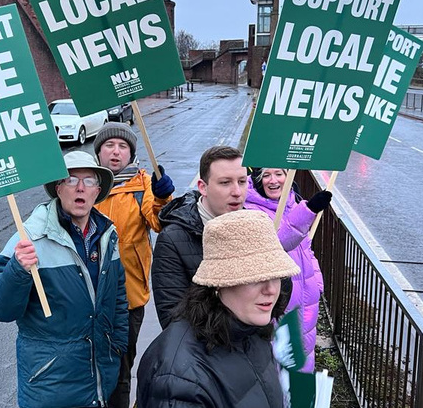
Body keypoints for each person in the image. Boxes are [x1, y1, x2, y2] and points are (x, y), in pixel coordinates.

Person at [0, 151, 128, 408]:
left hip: (99, 382)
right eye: (71, 180)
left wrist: (116, 347)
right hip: (49, 387)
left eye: (90, 181)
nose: (80, 188)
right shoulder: (28, 237)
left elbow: (117, 299)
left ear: (98, 191)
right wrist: (18, 269)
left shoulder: (108, 234)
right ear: (58, 188)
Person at [137, 210, 300, 408]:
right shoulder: (179, 379)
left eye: (276, 275)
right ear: (218, 283)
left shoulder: (250, 329)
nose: (271, 290)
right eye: (255, 278)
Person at [92, 122, 175, 408]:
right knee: (85, 368)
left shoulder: (142, 185)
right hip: (86, 297)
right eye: (109, 145)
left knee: (120, 369)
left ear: (131, 153)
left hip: (128, 297)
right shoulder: (86, 183)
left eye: (123, 146)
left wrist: (163, 197)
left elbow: (159, 221)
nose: (116, 152)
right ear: (98, 151)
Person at [244, 167, 332, 373]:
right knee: (277, 371)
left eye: (279, 174)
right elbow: (277, 244)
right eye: (266, 175)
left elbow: (307, 249)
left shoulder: (294, 202)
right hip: (277, 304)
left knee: (301, 365)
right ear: (257, 180)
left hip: (306, 301)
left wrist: (317, 283)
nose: (273, 180)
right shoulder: (249, 211)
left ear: (288, 177)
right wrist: (307, 211)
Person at [151, 145, 248, 329]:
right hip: (204, 355)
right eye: (225, 182)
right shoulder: (172, 240)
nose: (237, 192)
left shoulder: (255, 226)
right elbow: (174, 320)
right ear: (203, 187)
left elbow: (278, 297)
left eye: (242, 181)